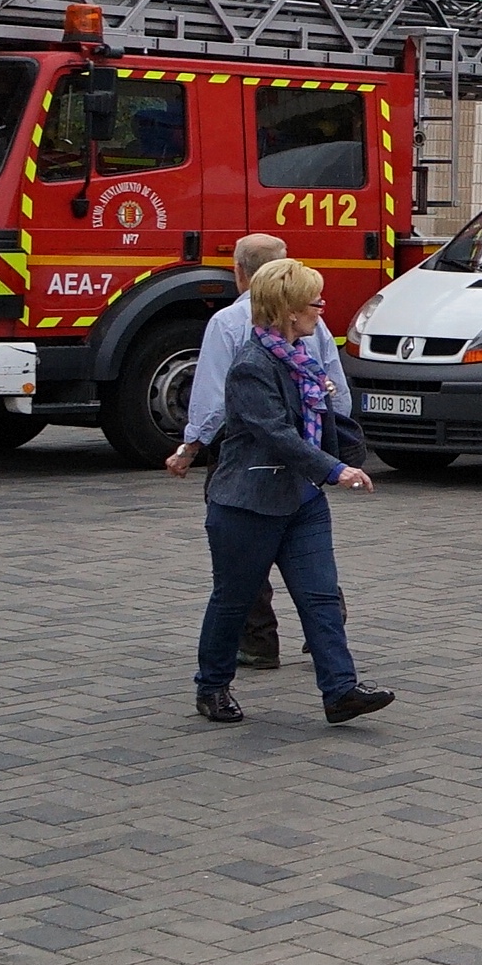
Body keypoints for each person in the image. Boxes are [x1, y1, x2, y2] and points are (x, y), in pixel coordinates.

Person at [192, 259, 392, 726]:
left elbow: (318, 423)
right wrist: (334, 469)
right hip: (248, 503)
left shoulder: (302, 358)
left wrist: (326, 408)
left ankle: (340, 692)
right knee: (234, 600)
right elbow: (275, 434)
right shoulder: (251, 366)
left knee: (320, 598)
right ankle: (212, 686)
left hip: (302, 501)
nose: (322, 309)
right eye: (313, 302)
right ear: (287, 310)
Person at [167, 234, 352, 672]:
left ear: (239, 272)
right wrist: (334, 450)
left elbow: (212, 397)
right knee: (268, 563)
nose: (319, 308)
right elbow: (334, 391)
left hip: (258, 462)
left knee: (253, 563)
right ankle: (316, 621)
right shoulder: (292, 332)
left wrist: (191, 446)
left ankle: (263, 643)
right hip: (297, 461)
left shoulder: (232, 323)